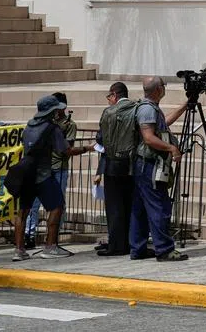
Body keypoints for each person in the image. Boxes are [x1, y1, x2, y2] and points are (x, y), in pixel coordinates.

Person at [13, 94, 93, 261]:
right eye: (56, 109)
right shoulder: (52, 129)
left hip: (27, 175)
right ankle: (50, 247)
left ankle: (19, 250)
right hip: (43, 175)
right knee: (57, 207)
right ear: (51, 111)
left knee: (23, 212)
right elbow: (65, 151)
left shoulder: (28, 126)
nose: (58, 112)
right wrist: (88, 148)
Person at [130, 76, 189, 262]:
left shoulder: (150, 108)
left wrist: (184, 107)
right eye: (163, 86)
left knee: (140, 209)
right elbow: (148, 137)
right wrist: (171, 148)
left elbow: (162, 124)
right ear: (157, 90)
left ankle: (138, 248)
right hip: (149, 165)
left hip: (145, 165)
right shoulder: (147, 109)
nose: (164, 88)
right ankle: (164, 249)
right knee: (159, 206)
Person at [25, 92, 77, 247]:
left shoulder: (69, 125)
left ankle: (54, 237)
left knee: (58, 204)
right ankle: (30, 235)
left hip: (59, 167)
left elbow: (67, 148)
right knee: (34, 204)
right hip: (43, 168)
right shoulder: (42, 125)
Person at [96, 81, 139, 257]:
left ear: (114, 95)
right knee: (130, 205)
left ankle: (116, 245)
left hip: (113, 166)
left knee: (114, 208)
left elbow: (100, 139)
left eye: (109, 97)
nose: (109, 101)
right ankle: (131, 242)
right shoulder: (137, 109)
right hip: (132, 165)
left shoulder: (108, 113)